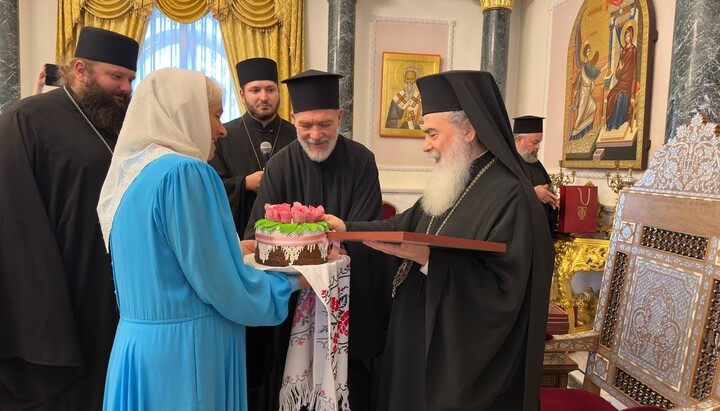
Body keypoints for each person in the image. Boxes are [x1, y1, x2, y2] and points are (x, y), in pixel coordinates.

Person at [325, 70, 555, 410]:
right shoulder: (455, 177)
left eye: (432, 133)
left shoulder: (512, 196)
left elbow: (507, 293)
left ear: (469, 129)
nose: (426, 145)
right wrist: (344, 227)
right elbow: (405, 225)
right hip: (416, 337)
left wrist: (431, 260)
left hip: (459, 363)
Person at [97, 68, 305, 410]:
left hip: (137, 347)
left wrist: (231, 250)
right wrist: (293, 281)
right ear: (185, 113)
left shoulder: (131, 174)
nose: (222, 130)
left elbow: (161, 261)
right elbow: (221, 286)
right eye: (215, 115)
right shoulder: (186, 172)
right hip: (185, 355)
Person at [0, 27, 139, 410]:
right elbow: (14, 220)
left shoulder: (118, 124)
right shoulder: (25, 119)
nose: (126, 87)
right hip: (56, 289)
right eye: (116, 76)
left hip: (114, 290)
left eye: (130, 78)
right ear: (80, 69)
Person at [243, 69, 395, 411]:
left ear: (340, 117)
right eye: (305, 125)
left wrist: (342, 229)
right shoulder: (280, 165)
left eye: (324, 124)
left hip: (346, 302)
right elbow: (258, 234)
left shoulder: (361, 161)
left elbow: (366, 230)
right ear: (294, 119)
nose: (315, 134)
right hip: (289, 303)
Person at [209, 57, 296, 236]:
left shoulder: (295, 135)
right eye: (255, 90)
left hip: (289, 236)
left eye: (270, 90)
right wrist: (245, 183)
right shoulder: (222, 135)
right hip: (238, 236)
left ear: (279, 92)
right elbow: (210, 188)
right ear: (242, 95)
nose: (264, 97)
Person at [513, 115, 559, 231]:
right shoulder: (506, 163)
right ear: (519, 140)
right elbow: (502, 196)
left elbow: (548, 187)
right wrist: (533, 194)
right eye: (535, 142)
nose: (538, 146)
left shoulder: (535, 163)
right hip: (519, 232)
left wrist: (551, 198)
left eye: (539, 142)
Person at [605, 24, 638, 131]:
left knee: (621, 97)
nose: (627, 38)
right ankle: (609, 125)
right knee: (611, 96)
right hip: (620, 83)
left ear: (632, 36)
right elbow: (617, 73)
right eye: (626, 36)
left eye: (629, 36)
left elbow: (634, 72)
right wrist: (619, 69)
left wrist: (632, 95)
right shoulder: (623, 51)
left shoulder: (633, 50)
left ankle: (616, 124)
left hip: (628, 84)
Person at [569, 43, 602, 141]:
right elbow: (588, 76)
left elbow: (591, 73)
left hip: (587, 92)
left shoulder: (587, 65)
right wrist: (600, 70)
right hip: (583, 93)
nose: (589, 52)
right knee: (581, 114)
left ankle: (586, 131)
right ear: (584, 52)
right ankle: (574, 134)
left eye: (589, 51)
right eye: (587, 51)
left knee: (593, 106)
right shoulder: (585, 65)